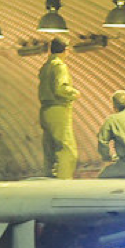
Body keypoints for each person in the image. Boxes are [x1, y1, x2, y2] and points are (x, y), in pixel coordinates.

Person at [38, 38, 80, 179]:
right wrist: (74, 93)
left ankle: (49, 180)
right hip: (58, 109)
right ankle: (63, 184)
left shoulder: (46, 66)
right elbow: (60, 89)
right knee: (67, 150)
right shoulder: (59, 66)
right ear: (66, 50)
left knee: (50, 150)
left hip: (45, 111)